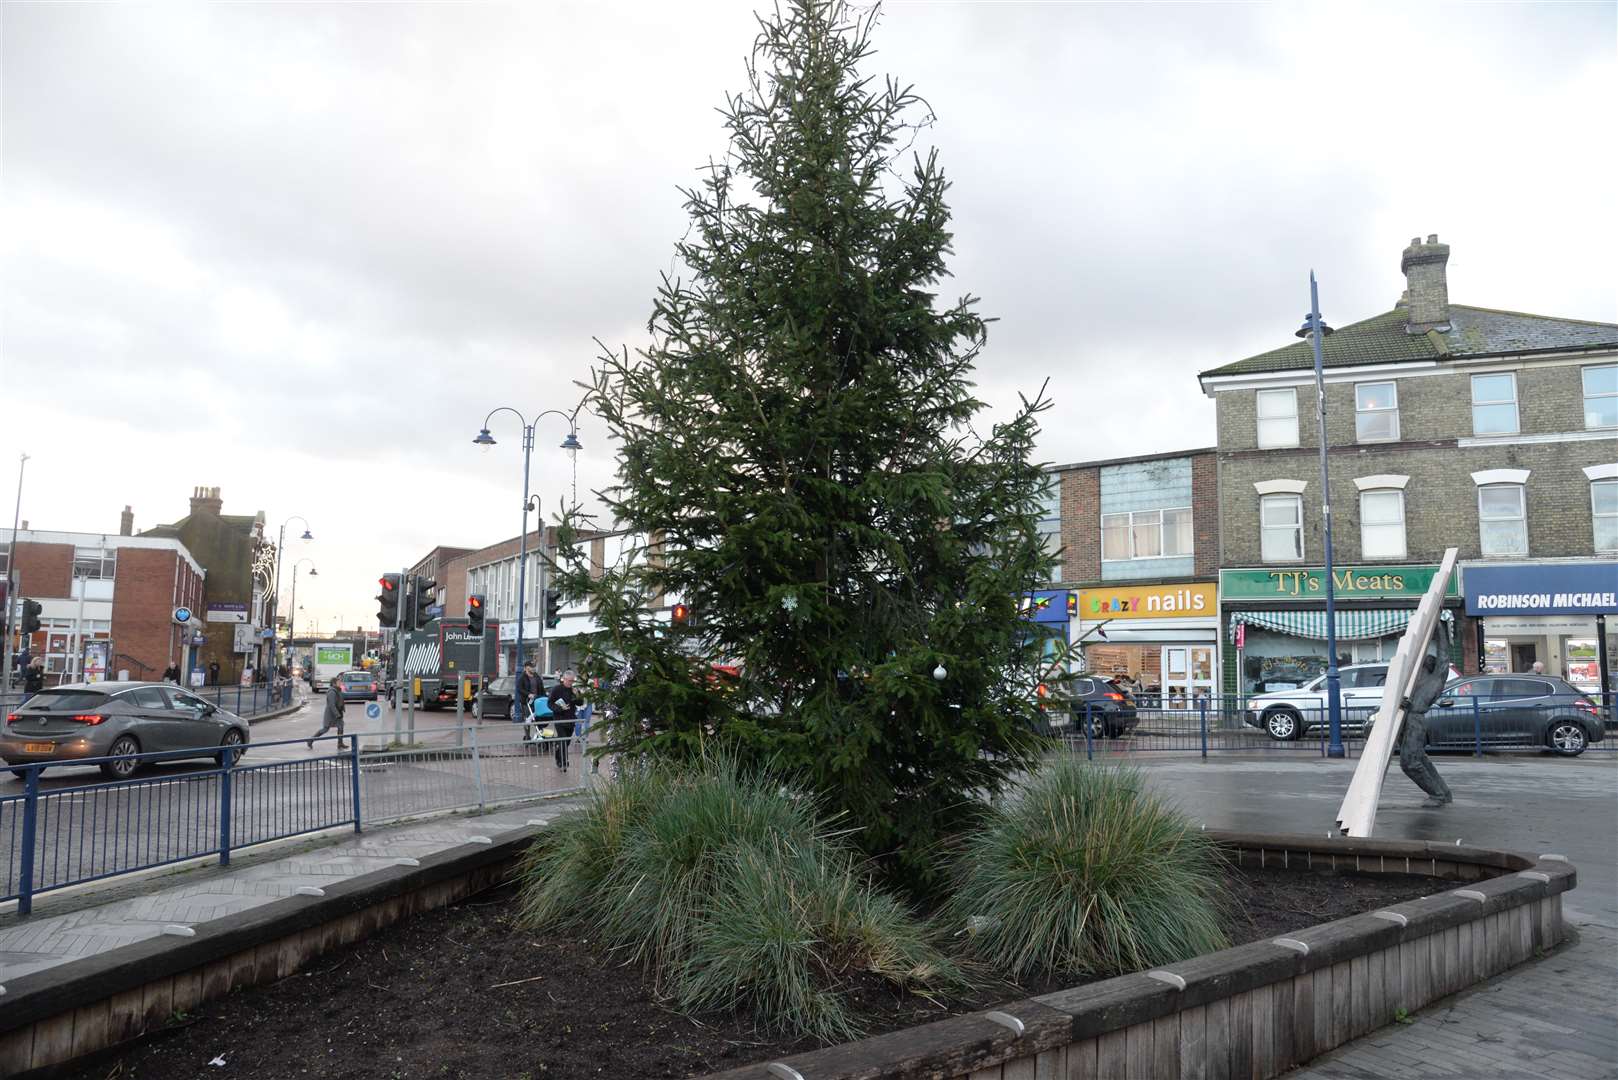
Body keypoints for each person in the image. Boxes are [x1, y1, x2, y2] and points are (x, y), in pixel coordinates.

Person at [1399, 620, 1454, 808]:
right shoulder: (1414, 682)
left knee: (1410, 763)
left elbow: (1444, 657)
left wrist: (1439, 630)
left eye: (1425, 664)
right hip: (1407, 720)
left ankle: (1437, 794)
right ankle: (1443, 792)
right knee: (1419, 759)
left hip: (1416, 721)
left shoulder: (1435, 680)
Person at [546, 670, 583, 771]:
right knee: (562, 740)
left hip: (570, 719)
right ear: (564, 679)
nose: (571, 683)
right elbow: (549, 703)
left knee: (566, 742)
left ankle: (558, 755)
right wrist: (559, 708)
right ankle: (564, 762)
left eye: (573, 681)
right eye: (569, 681)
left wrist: (577, 695)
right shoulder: (557, 689)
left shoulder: (574, 690)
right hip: (559, 719)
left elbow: (580, 703)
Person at [308, 678, 348, 751]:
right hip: (331, 714)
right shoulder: (332, 692)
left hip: (338, 712)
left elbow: (340, 701)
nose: (340, 683)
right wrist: (337, 714)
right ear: (334, 683)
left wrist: (342, 709)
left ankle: (340, 743)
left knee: (341, 727)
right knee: (325, 729)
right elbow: (331, 705)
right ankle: (310, 740)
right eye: (339, 682)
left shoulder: (338, 690)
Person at [517, 660, 544, 725]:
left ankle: (539, 732)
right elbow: (520, 689)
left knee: (539, 717)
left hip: (537, 700)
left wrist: (544, 696)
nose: (533, 668)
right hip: (527, 702)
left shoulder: (536, 676)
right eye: (531, 667)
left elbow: (541, 687)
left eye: (534, 666)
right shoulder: (522, 677)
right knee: (528, 719)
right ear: (526, 667)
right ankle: (527, 734)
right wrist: (528, 694)